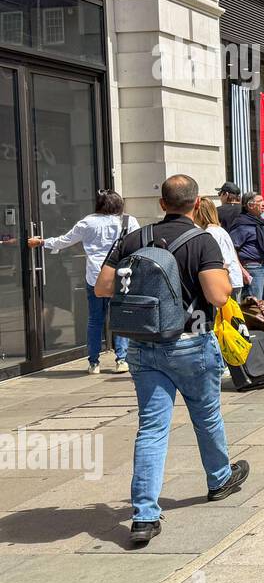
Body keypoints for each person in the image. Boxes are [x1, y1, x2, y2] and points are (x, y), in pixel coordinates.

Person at [97, 174, 250, 545]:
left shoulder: (134, 239)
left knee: (151, 428)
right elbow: (217, 296)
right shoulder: (202, 241)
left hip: (143, 345)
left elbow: (103, 287)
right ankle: (219, 479)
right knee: (206, 415)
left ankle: (145, 516)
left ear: (162, 204)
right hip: (191, 342)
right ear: (197, 204)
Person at [27, 189, 139, 374]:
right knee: (120, 318)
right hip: (120, 276)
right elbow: (137, 245)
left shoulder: (87, 222)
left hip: (95, 277)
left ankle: (94, 363)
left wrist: (41, 242)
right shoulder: (129, 221)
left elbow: (65, 241)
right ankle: (121, 360)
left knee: (95, 320)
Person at [228, 192, 264, 306]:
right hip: (253, 269)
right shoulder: (241, 224)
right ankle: (254, 325)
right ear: (250, 205)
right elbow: (232, 249)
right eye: (260, 201)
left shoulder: (259, 222)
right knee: (254, 307)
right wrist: (242, 270)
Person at [195, 195, 246, 301]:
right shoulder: (219, 230)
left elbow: (223, 261)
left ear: (200, 214)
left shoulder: (210, 233)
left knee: (228, 316)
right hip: (233, 280)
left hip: (228, 281)